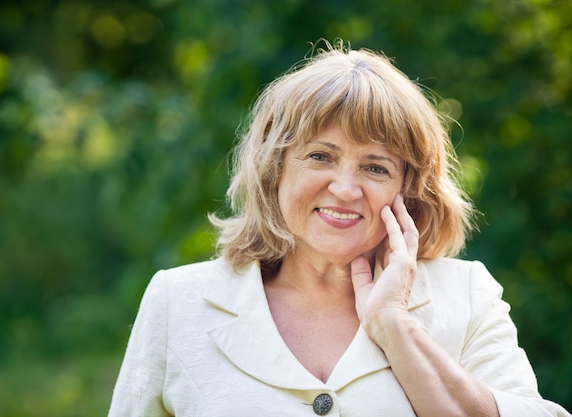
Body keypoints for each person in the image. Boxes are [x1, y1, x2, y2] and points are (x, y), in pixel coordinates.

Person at [108, 42, 572, 417]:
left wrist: (393, 324)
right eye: (320, 156)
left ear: (409, 190)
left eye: (375, 167)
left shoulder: (467, 295)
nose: (345, 188)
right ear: (275, 168)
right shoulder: (178, 301)